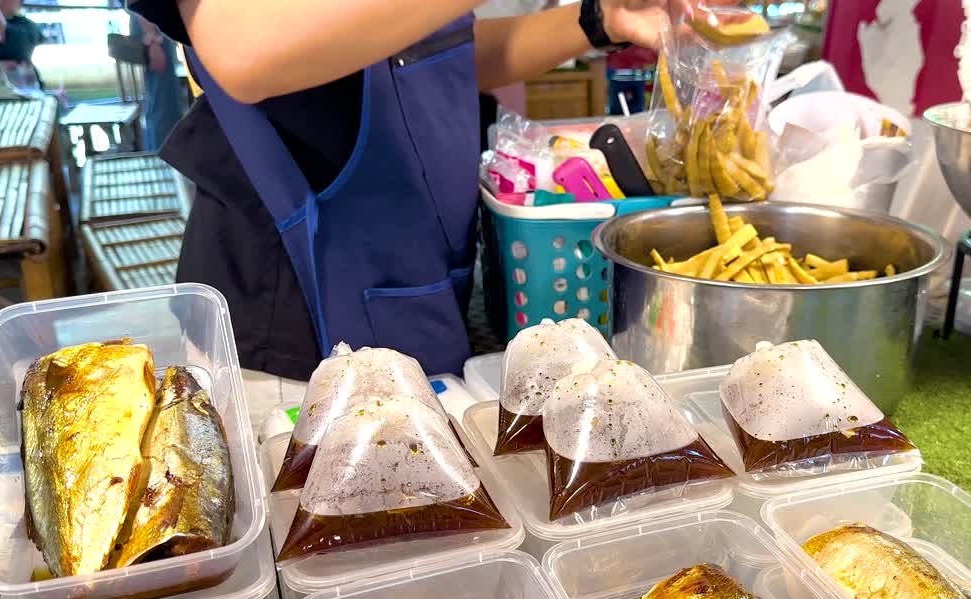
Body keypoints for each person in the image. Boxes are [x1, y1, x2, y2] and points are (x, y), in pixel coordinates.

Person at [125, 0, 685, 424]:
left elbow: (436, 54)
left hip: (417, 298)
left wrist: (597, 20)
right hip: (286, 346)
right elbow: (245, 49)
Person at [128, 14, 186, 150]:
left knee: (161, 101)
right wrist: (152, 39)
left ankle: (162, 156)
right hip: (153, 33)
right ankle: (163, 158)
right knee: (163, 104)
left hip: (154, 31)